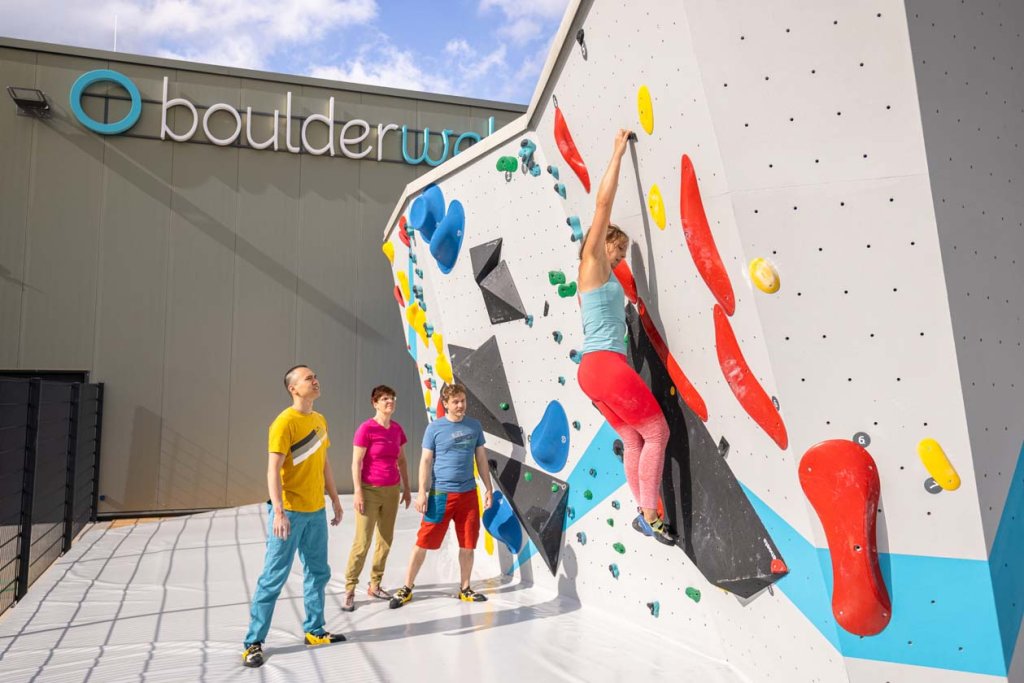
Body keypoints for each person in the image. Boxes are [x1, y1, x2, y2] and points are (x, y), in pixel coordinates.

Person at [576, 129, 675, 546]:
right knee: (657, 433)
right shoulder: (592, 261)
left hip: (592, 374)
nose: (618, 256)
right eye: (617, 249)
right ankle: (650, 514)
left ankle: (642, 512)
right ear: (603, 243)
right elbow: (602, 204)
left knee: (632, 437)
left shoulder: (600, 281)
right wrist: (617, 152)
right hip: (606, 367)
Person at [241, 365, 346, 669]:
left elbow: (324, 463)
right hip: (289, 513)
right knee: (273, 578)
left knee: (318, 572)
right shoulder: (283, 423)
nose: (315, 380)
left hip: (315, 511)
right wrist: (279, 512)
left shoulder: (319, 420)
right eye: (308, 378)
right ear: (293, 389)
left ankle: (314, 630)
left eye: (315, 376)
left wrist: (335, 501)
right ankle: (252, 642)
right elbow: (273, 469)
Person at [388, 383, 493, 608]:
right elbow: (425, 461)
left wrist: (488, 488)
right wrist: (422, 493)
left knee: (468, 544)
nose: (460, 405)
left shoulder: (474, 426)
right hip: (440, 495)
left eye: (463, 401)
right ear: (445, 403)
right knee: (423, 541)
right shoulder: (435, 428)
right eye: (455, 401)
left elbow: (481, 459)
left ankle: (465, 588)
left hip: (468, 495)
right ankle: (407, 587)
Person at [340, 385, 412, 611]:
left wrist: (407, 488)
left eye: (392, 398)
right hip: (369, 490)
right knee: (362, 542)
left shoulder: (397, 429)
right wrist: (358, 491)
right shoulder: (366, 429)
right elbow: (356, 462)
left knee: (385, 540)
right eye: (384, 399)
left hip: (392, 490)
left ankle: (375, 584)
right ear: (375, 403)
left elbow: (402, 461)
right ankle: (350, 589)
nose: (389, 402)